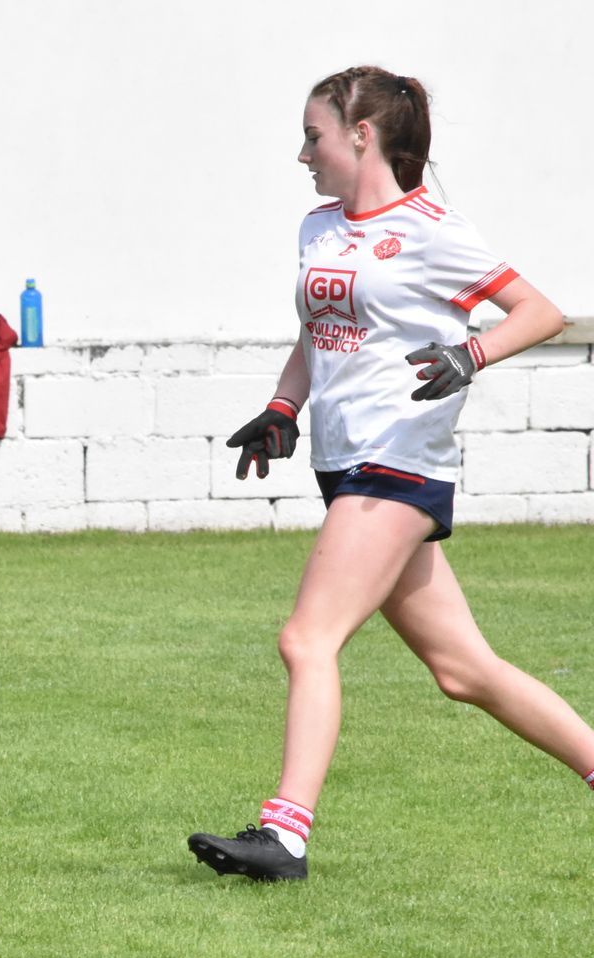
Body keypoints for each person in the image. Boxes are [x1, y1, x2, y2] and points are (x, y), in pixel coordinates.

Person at [189, 66, 594, 881]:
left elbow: (540, 312)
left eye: (314, 136)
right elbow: (317, 331)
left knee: (307, 638)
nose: (303, 154)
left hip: (398, 462)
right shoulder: (318, 228)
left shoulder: (432, 230)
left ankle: (285, 835)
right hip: (346, 466)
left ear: (361, 135)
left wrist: (470, 353)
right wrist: (283, 407)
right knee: (464, 672)